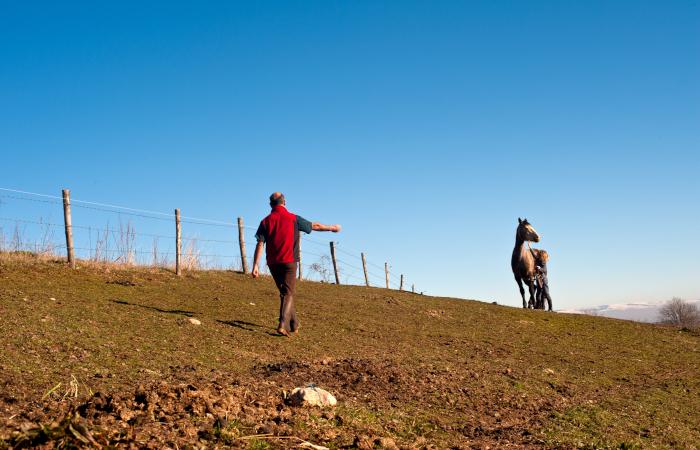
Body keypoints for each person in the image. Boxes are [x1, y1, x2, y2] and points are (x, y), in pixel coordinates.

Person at [252, 192, 341, 337]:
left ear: (270, 205)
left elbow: (260, 243)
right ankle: (283, 325)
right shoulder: (293, 218)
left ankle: (294, 323)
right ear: (284, 202)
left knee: (285, 292)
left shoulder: (265, 221)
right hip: (289, 261)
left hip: (273, 263)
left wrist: (255, 264)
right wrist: (331, 228)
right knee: (287, 293)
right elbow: (316, 226)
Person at [527, 241, 552, 311]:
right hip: (539, 279)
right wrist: (530, 246)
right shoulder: (537, 260)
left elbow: (544, 269)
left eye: (537, 253)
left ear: (540, 254)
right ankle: (539, 307)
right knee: (538, 294)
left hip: (543, 279)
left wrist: (539, 268)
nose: (536, 253)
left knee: (546, 294)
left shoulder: (543, 262)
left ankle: (550, 308)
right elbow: (533, 254)